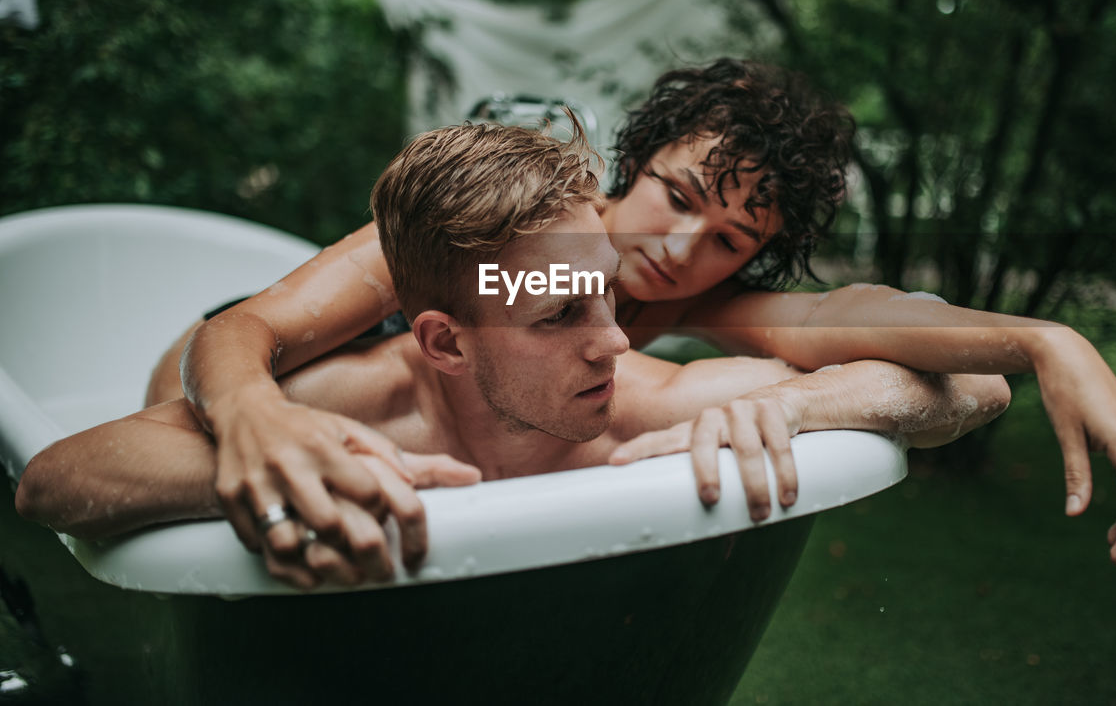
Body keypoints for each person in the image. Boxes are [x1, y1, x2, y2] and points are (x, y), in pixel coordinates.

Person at [153, 59, 1116, 571]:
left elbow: (881, 321)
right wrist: (249, 413)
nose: (678, 249)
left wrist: (1041, 340)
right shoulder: (504, 242)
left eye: (725, 238)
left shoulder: (702, 301)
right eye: (676, 197)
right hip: (214, 390)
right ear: (630, 170)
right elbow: (250, 330)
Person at [16, 121, 1006, 589]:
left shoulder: (630, 390)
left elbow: (968, 380)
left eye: (605, 301)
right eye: (559, 316)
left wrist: (793, 411)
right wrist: (280, 444)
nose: (613, 339)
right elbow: (56, 476)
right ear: (443, 340)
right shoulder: (345, 403)